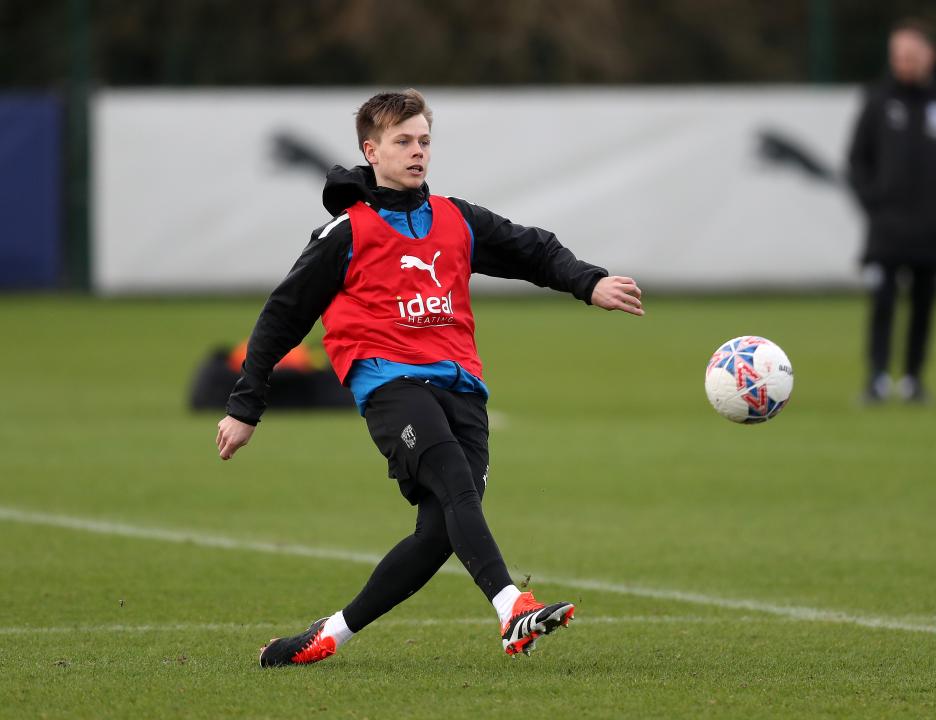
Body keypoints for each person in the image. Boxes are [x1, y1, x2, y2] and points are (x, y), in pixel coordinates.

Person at [215, 89, 644, 666]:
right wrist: (246, 407)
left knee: (440, 533)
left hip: (461, 385)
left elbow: (532, 249)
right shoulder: (346, 233)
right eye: (403, 142)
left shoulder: (454, 218)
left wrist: (587, 282)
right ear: (371, 150)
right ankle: (513, 606)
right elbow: (281, 318)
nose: (417, 152)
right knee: (454, 482)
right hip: (389, 384)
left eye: (423, 141)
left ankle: (329, 635)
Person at [848, 19, 936, 403]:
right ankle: (877, 377)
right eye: (898, 56)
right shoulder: (878, 102)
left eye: (911, 55)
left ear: (930, 55)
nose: (904, 63)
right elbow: (857, 160)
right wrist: (873, 202)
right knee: (882, 303)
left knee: (924, 306)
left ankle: (913, 378)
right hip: (886, 228)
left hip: (931, 230)